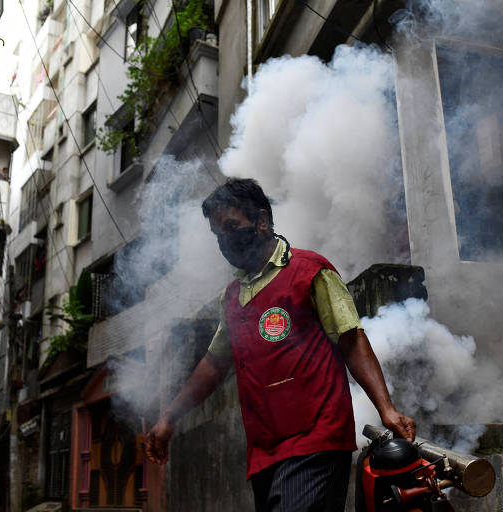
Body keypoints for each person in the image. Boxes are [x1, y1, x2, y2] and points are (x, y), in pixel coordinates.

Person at [145, 178, 416, 511]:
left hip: (317, 439)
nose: (225, 241)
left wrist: (386, 409)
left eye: (231, 226)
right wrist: (169, 418)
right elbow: (214, 364)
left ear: (261, 221)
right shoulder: (232, 297)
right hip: (264, 452)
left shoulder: (310, 270)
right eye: (218, 234)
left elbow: (351, 339)